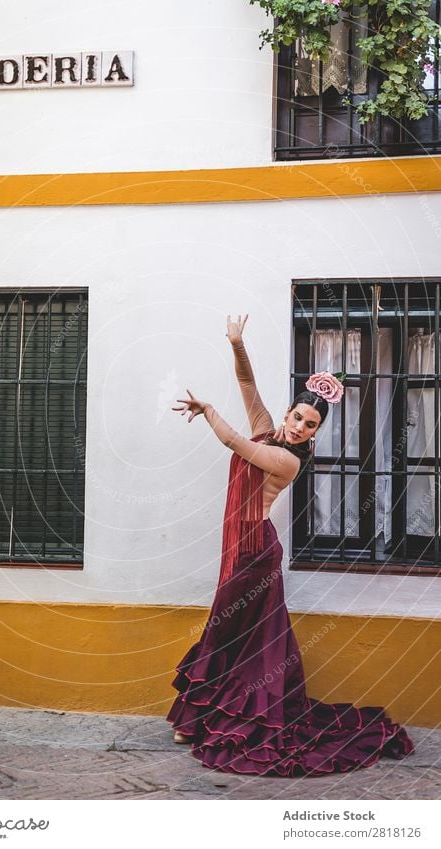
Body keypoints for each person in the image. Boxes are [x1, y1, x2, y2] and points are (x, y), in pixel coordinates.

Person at [166, 314, 414, 776]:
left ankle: (211, 721)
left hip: (256, 553)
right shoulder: (269, 427)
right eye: (298, 416)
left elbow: (235, 443)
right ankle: (199, 719)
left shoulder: (286, 460)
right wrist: (238, 343)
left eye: (311, 424)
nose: (301, 426)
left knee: (234, 638)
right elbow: (247, 380)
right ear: (287, 414)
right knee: (232, 638)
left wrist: (208, 410)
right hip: (243, 549)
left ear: (316, 433)